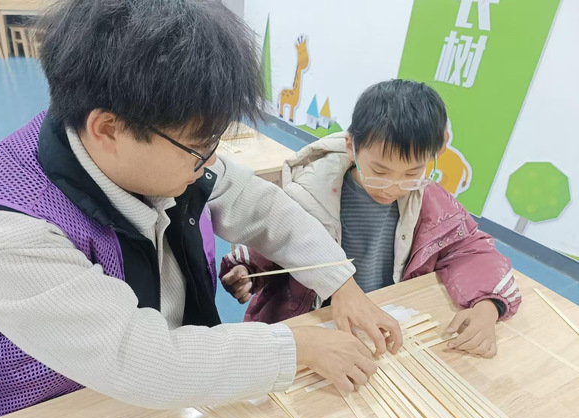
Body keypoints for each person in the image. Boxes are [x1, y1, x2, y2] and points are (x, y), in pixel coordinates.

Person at [0, 0, 402, 418]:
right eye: (199, 146)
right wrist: (297, 347)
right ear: (108, 128)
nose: (210, 160)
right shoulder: (8, 236)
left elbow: (260, 204)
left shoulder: (155, 152)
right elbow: (139, 359)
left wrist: (340, 283)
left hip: (160, 401)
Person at [221, 79, 520, 359]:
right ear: (351, 147)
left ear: (435, 154)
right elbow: (281, 239)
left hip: (386, 323)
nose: (393, 187)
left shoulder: (432, 204)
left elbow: (470, 250)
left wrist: (487, 306)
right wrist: (249, 268)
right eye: (379, 171)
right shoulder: (310, 194)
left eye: (412, 173)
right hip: (318, 326)